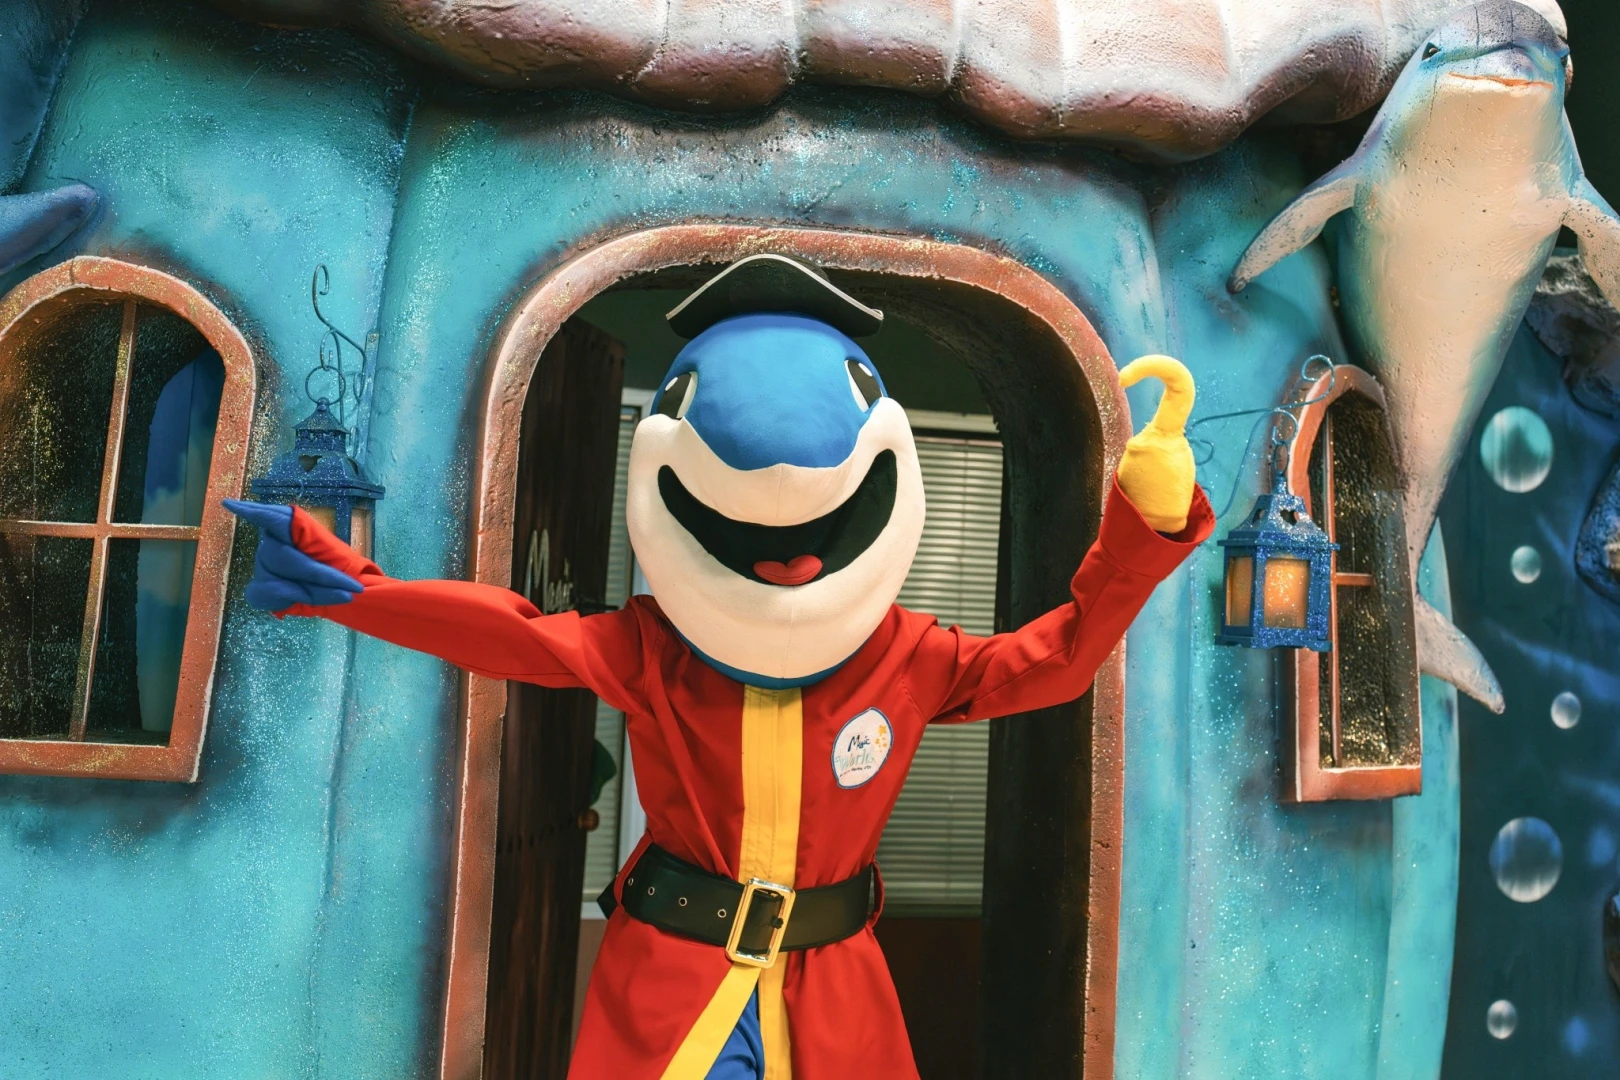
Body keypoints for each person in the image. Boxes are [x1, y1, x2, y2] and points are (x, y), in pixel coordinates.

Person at [226, 254, 1212, 1079]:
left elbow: (1058, 661)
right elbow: (514, 634)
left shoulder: (908, 656)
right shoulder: (653, 648)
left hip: (829, 991)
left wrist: (1145, 527)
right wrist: (354, 588)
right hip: (676, 979)